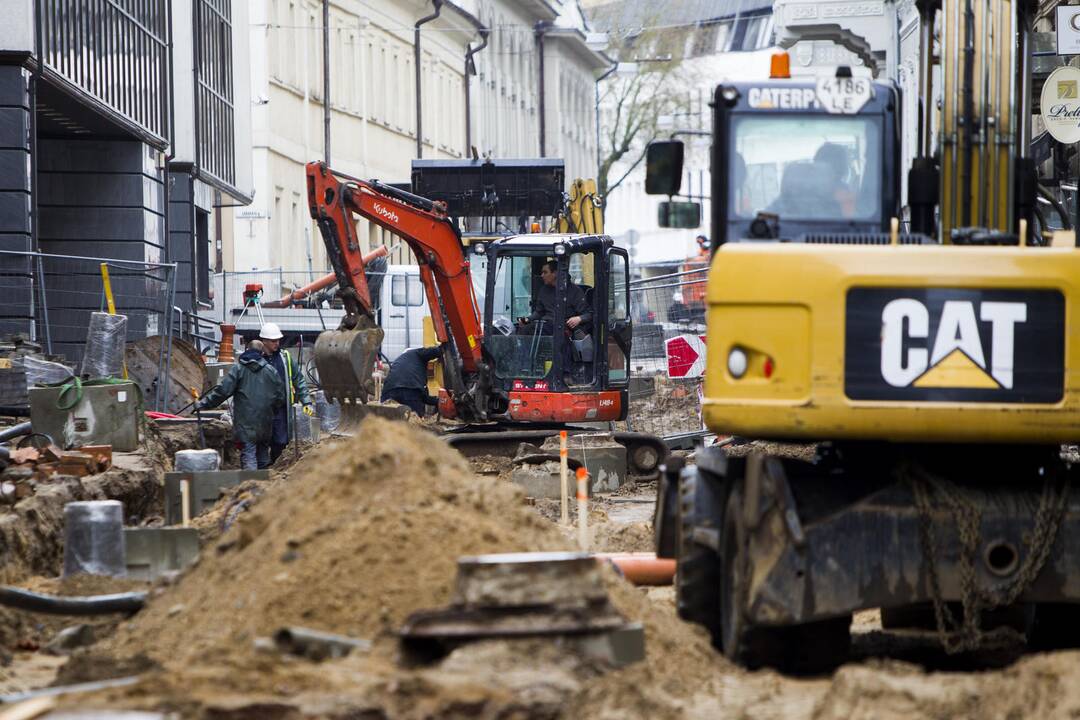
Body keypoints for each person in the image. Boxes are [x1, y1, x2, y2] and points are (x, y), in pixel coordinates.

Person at [195, 340, 285, 470]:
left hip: (246, 423)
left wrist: (203, 404)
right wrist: (270, 411)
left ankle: (250, 486)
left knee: (249, 455)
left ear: (247, 350)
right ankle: (265, 486)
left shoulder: (239, 369)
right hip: (265, 423)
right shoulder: (271, 371)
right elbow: (280, 397)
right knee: (263, 456)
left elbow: (223, 391)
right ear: (261, 353)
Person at [258, 322, 313, 465]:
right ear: (264, 341)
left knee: (281, 441)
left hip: (282, 409)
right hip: (262, 410)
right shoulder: (256, 359)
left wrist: (306, 401)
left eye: (278, 340)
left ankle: (277, 468)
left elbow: (298, 380)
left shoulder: (285, 357)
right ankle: (263, 470)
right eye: (273, 341)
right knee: (262, 442)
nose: (277, 343)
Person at [382, 345, 441, 416]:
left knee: (388, 419)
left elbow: (423, 397)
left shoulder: (398, 362)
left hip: (388, 392)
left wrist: (437, 401)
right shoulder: (416, 353)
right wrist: (443, 348)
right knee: (414, 421)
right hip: (410, 391)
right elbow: (432, 352)